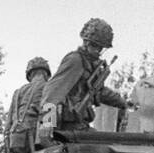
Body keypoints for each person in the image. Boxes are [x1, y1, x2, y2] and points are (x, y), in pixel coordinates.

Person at [35, 18, 129, 146]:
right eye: (94, 46)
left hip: (79, 125)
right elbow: (51, 92)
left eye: (100, 48)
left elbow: (99, 91)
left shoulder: (89, 65)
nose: (97, 51)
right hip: (68, 127)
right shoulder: (75, 60)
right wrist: (47, 123)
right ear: (85, 42)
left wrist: (122, 102)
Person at [6, 56, 51, 153]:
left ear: (29, 75)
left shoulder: (17, 92)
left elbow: (8, 124)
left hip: (15, 141)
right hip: (36, 142)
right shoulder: (48, 87)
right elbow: (49, 112)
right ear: (46, 74)